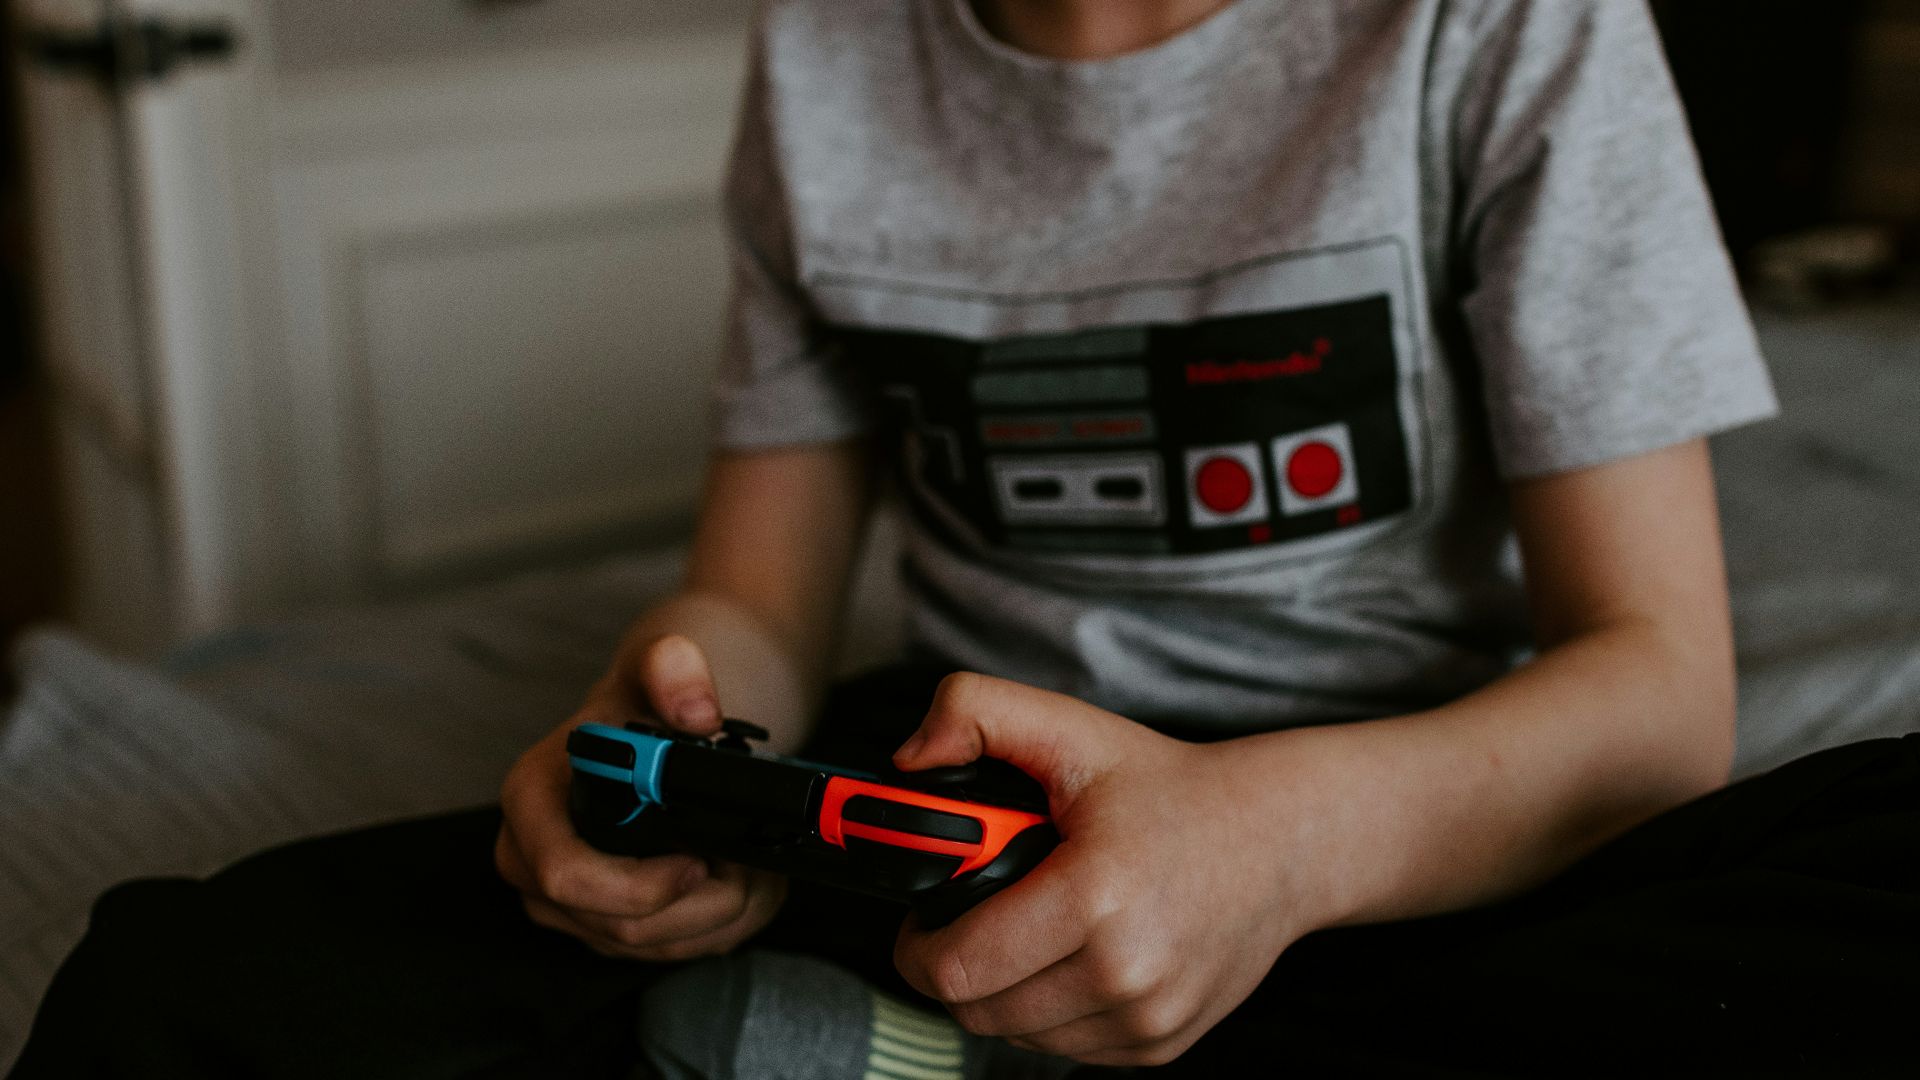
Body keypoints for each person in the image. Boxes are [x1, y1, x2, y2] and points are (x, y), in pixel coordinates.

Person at [15, 1, 1919, 1076]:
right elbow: (754, 595)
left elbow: (1661, 700)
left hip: (1408, 840)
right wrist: (676, 737)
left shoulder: (1509, 32)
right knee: (179, 981)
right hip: (949, 820)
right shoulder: (831, 60)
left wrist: (1268, 846)